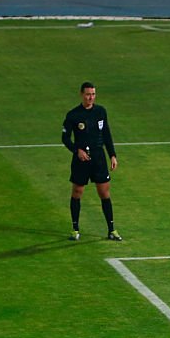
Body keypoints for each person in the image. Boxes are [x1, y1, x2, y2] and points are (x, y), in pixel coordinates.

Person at [62, 81, 122, 242]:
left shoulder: (100, 112)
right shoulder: (73, 115)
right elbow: (65, 138)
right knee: (77, 192)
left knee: (104, 193)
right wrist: (77, 150)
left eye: (93, 94)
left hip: (98, 157)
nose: (91, 97)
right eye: (88, 94)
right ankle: (75, 229)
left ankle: (112, 230)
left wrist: (112, 155)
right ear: (81, 94)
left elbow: (107, 133)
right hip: (81, 159)